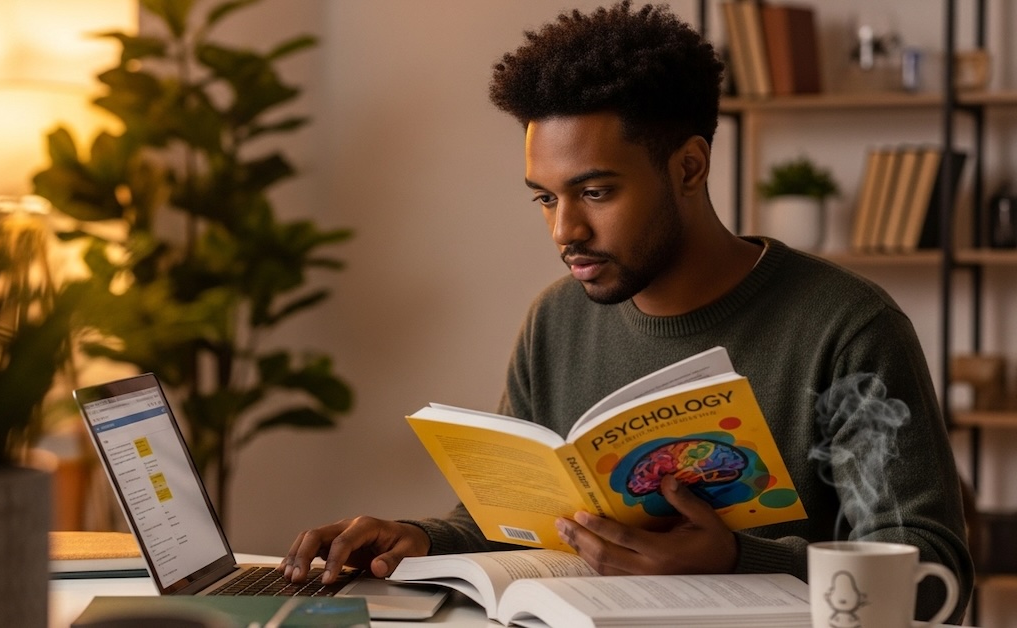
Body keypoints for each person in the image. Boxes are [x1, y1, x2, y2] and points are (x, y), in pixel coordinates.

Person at [280, 2, 973, 622]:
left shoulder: (844, 326)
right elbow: (517, 523)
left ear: (690, 168)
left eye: (596, 192)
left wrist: (736, 558)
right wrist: (424, 537)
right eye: (546, 198)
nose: (564, 232)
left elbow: (930, 572)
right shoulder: (556, 321)